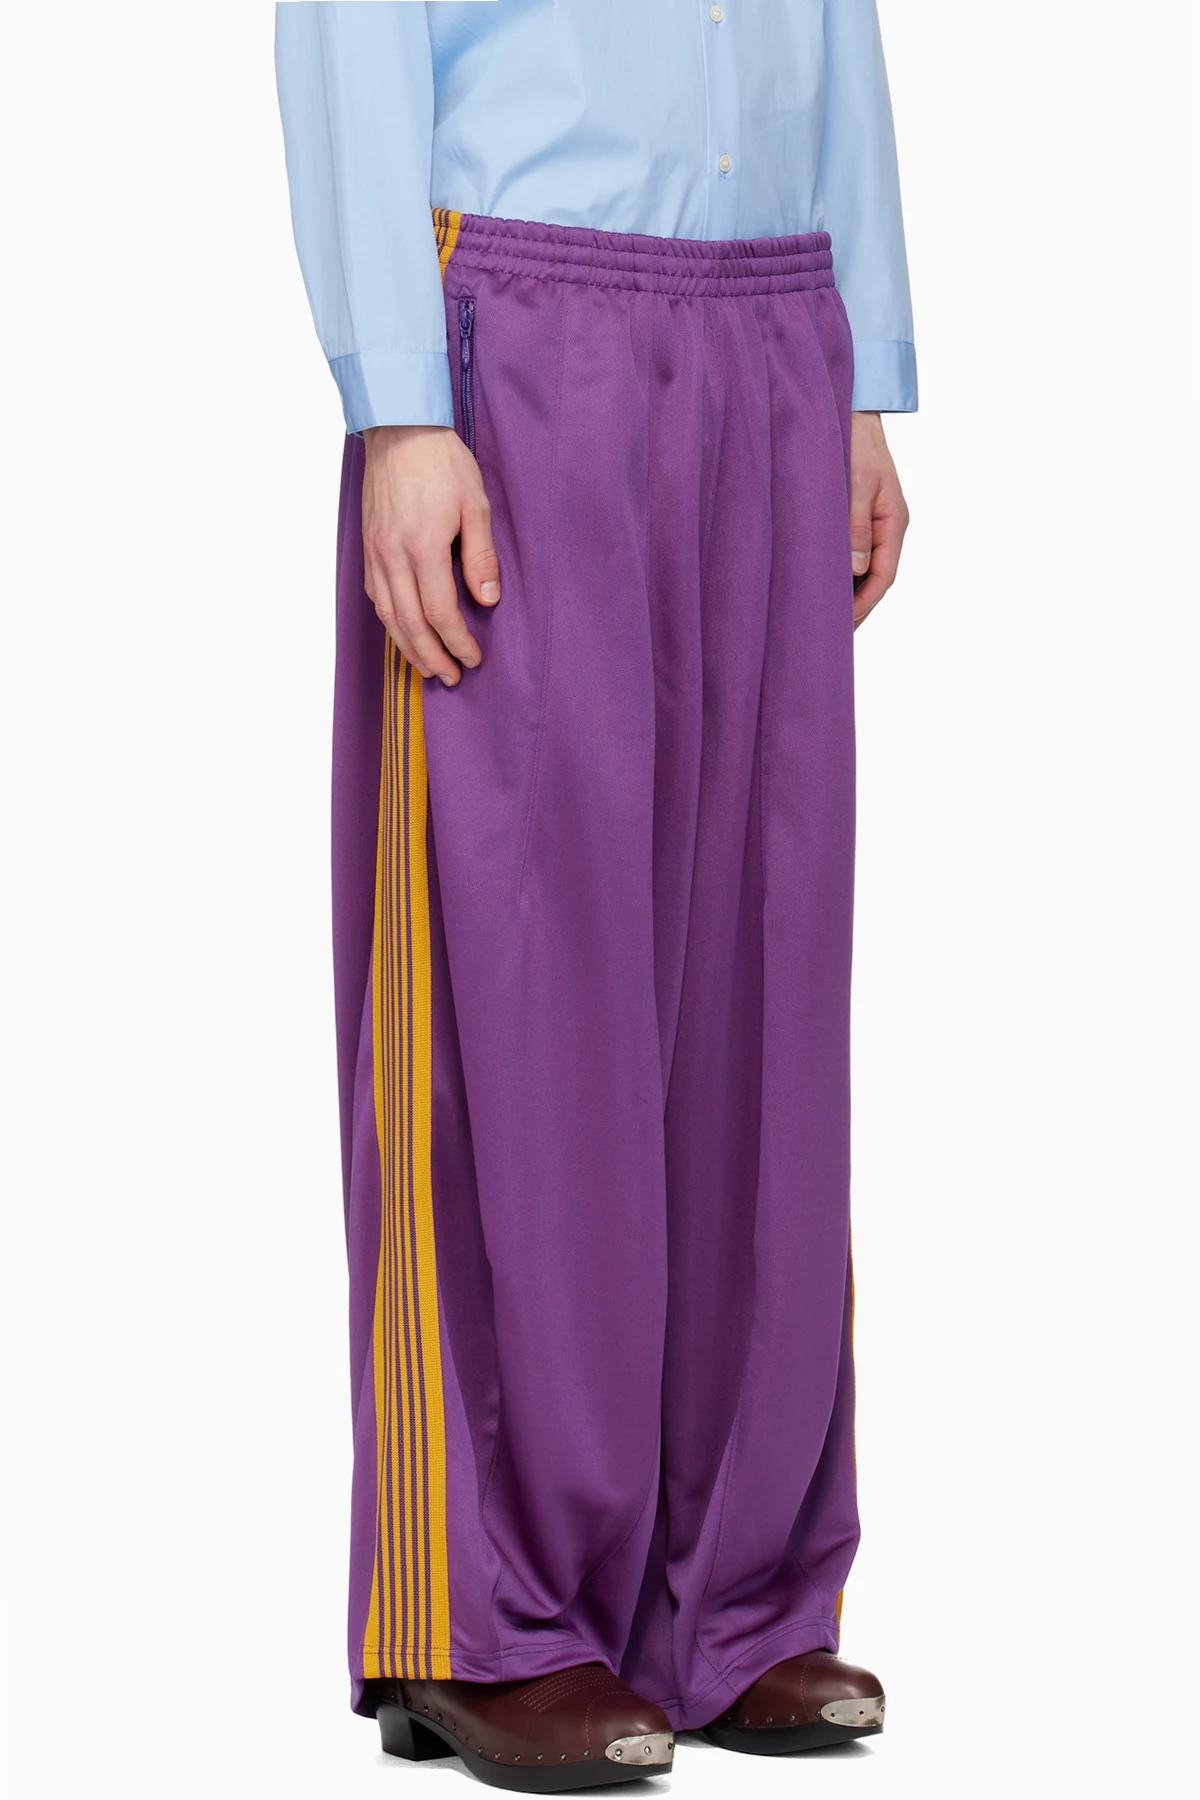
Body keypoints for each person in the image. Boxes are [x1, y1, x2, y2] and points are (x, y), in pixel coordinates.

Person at [275, 2, 915, 1789]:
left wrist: (862, 369)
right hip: (525, 326)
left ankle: (737, 1595)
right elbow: (348, 37)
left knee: (758, 976)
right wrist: (402, 408)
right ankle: (484, 1614)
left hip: (770, 320)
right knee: (519, 976)